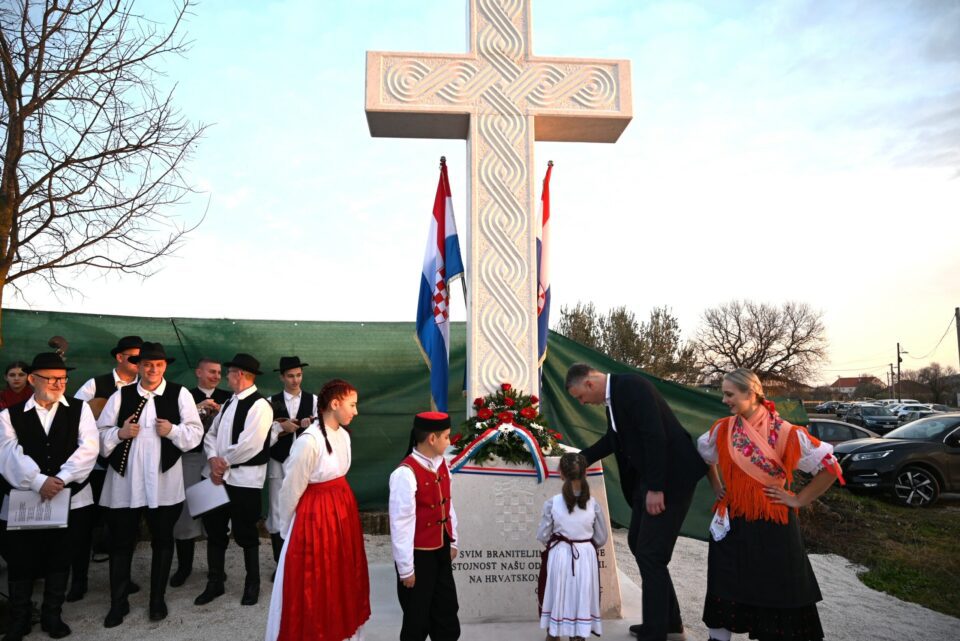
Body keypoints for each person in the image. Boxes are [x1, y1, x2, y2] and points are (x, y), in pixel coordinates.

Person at [697, 369, 843, 641]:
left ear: (751, 394)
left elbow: (831, 468)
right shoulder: (723, 429)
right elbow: (705, 457)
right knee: (725, 585)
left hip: (773, 526)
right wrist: (717, 486)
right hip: (735, 523)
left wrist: (798, 499)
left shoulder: (788, 433)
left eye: (729, 394)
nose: (724, 400)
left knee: (776, 590)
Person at [565, 363, 706, 641]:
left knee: (651, 553)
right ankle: (670, 621)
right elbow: (613, 440)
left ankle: (656, 631)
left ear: (590, 383)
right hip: (651, 479)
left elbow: (655, 436)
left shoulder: (631, 387)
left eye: (580, 396)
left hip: (671, 479)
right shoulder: (615, 398)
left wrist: (656, 488)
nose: (582, 402)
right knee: (638, 543)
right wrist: (578, 461)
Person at [97, 342, 204, 627]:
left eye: (157, 364)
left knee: (163, 539)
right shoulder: (121, 394)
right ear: (138, 366)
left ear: (165, 366)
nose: (152, 369)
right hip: (124, 482)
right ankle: (117, 604)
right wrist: (120, 433)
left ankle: (157, 599)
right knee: (121, 543)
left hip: (164, 481)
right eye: (146, 364)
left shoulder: (179, 394)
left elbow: (195, 433)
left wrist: (172, 431)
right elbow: (98, 433)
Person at [0, 352, 99, 640]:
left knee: (60, 556)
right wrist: (38, 481)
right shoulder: (9, 415)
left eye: (63, 378)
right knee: (20, 559)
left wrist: (60, 479)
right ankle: (19, 618)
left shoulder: (80, 411)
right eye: (51, 378)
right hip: (23, 500)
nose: (59, 383)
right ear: (33, 380)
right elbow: (7, 454)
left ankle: (52, 615)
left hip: (71, 498)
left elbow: (88, 449)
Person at [265, 379, 369, 641]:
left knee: (341, 571)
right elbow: (290, 489)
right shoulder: (308, 442)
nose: (355, 411)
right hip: (316, 516)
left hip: (341, 508)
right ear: (334, 404)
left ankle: (342, 627)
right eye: (352, 405)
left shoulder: (343, 435)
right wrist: (289, 529)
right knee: (315, 577)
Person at [196, 353, 273, 607]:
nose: (225, 376)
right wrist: (212, 460)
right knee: (215, 530)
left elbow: (250, 444)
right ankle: (215, 582)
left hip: (244, 480)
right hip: (219, 477)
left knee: (246, 532)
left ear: (239, 374)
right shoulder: (229, 402)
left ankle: (253, 585)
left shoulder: (260, 406)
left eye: (228, 372)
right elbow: (211, 434)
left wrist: (222, 462)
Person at [70, 334, 143, 601]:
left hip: (127, 468)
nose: (139, 362)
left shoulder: (145, 387)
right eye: (134, 357)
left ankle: (122, 579)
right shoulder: (95, 384)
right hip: (97, 469)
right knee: (84, 526)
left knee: (125, 527)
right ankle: (78, 581)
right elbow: (75, 416)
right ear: (119, 358)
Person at [388, 411, 460, 641]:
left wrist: (453, 538)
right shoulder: (405, 474)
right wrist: (406, 568)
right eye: (446, 437)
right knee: (417, 618)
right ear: (432, 438)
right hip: (419, 556)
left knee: (447, 611)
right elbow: (401, 524)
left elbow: (448, 505)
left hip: (441, 549)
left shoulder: (442, 465)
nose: (449, 442)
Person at [169, 357, 232, 587]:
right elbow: (176, 424)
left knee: (216, 516)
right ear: (198, 372)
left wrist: (219, 412)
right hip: (191, 460)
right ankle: (184, 568)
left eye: (219, 372)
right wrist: (199, 409)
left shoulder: (229, 397)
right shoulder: (186, 396)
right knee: (185, 514)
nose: (216, 376)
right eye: (211, 372)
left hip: (216, 462)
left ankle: (216, 570)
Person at [536, 452, 608, 641]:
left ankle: (554, 633)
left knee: (558, 593)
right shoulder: (594, 504)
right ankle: (578, 634)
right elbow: (601, 538)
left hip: (560, 555)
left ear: (561, 473)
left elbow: (543, 535)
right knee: (580, 596)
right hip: (585, 557)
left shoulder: (552, 503)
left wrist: (559, 545)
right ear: (585, 474)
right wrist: (584, 545)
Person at [265, 356, 317, 579]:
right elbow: (263, 435)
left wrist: (310, 424)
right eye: (290, 376)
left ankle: (304, 562)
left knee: (305, 511)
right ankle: (281, 564)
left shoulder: (313, 400)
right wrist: (280, 426)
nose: (295, 380)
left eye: (298, 375)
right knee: (278, 512)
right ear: (281, 377)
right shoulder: (270, 401)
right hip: (278, 463)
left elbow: (321, 429)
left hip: (305, 466)